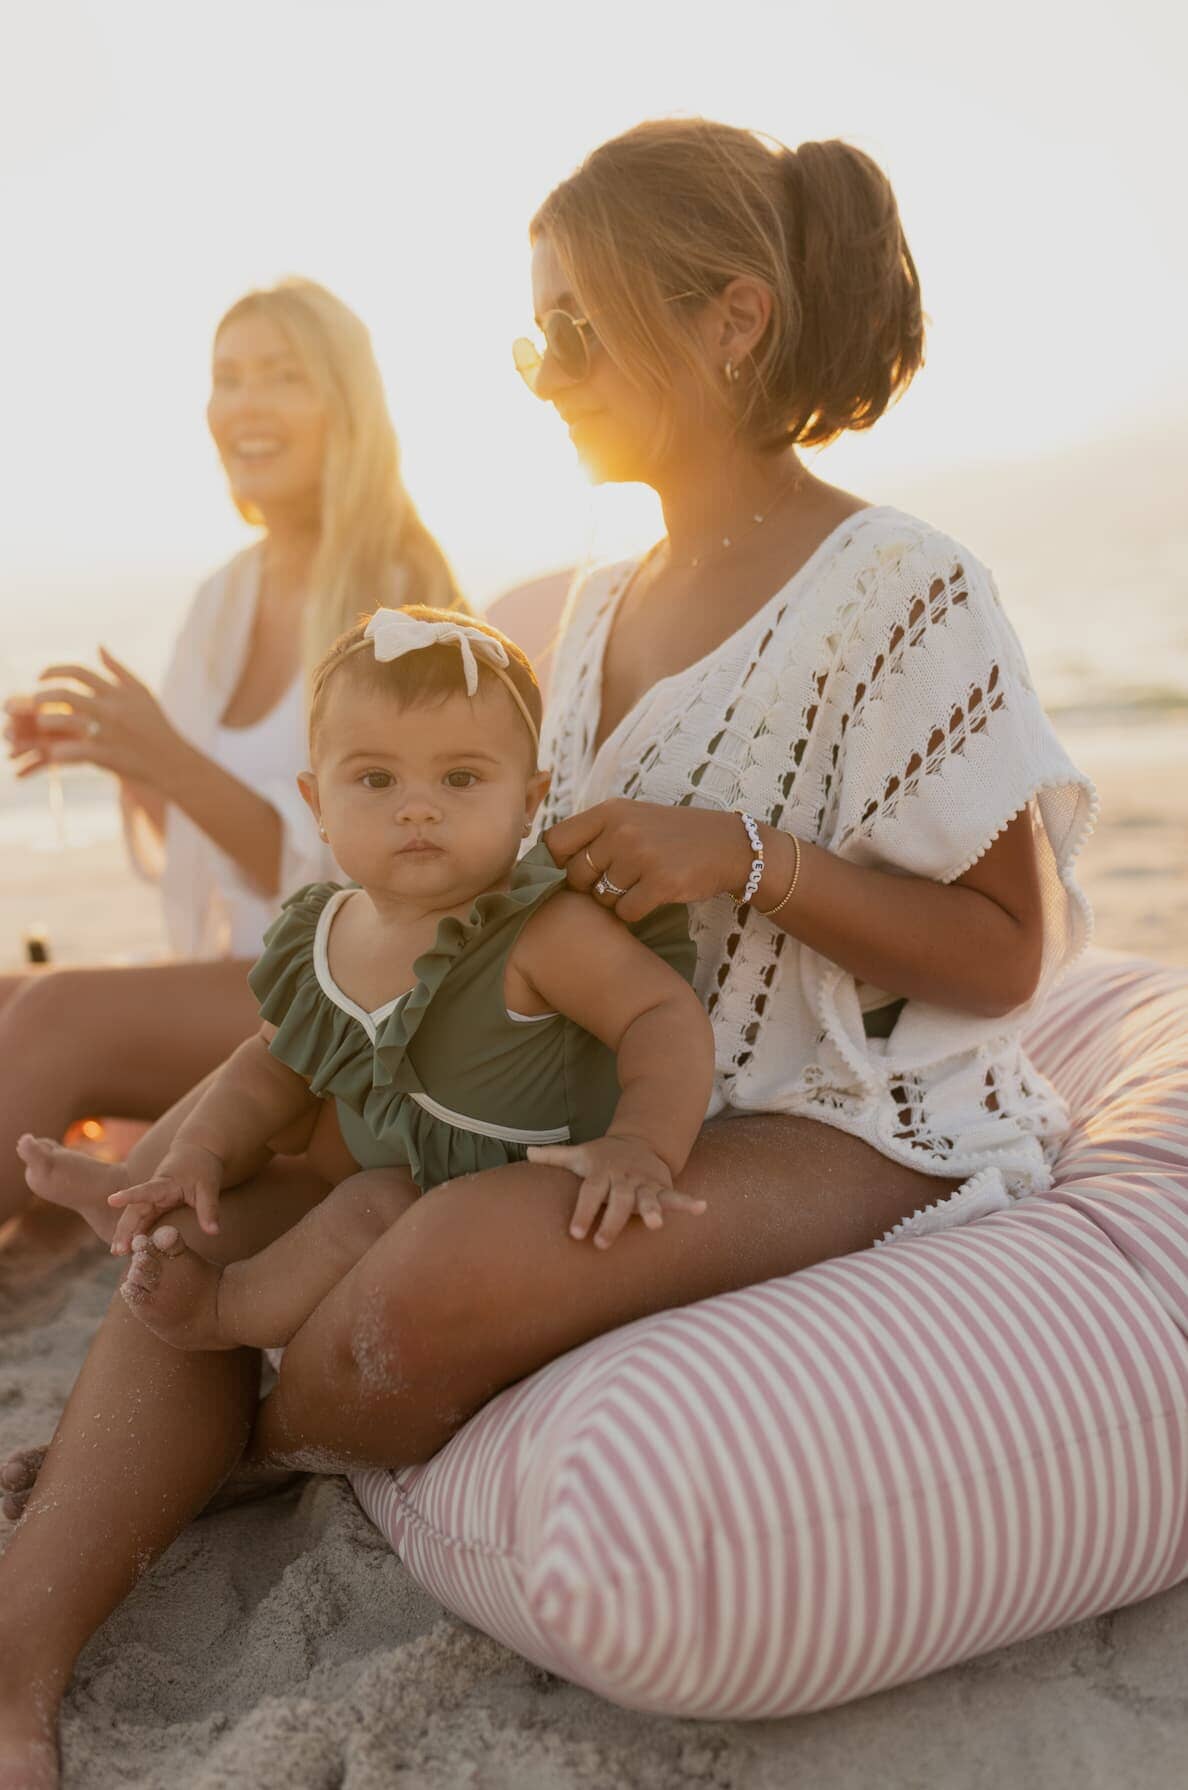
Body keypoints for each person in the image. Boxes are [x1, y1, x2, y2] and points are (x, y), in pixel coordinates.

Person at [0, 119, 1097, 1785]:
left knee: (408, 1303)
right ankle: (22, 1657)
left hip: (839, 1117)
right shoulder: (590, 607)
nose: (540, 369)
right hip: (574, 1093)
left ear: (730, 320)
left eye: (574, 326)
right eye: (528, 331)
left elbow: (1008, 951)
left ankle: (236, 1439)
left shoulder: (898, 588)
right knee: (189, 1230)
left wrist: (741, 860)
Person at [19, 606, 711, 1350]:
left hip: (492, 1202)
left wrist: (644, 1143)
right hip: (364, 1166)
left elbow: (659, 1016)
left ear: (529, 801)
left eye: (461, 777)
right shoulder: (329, 930)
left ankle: (223, 1315)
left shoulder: (540, 931)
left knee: (368, 1203)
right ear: (318, 804)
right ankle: (146, 1201)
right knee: (271, 1169)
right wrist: (204, 1151)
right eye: (376, 779)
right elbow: (269, 1065)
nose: (417, 807)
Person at [0, 277, 461, 1227]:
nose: (244, 403)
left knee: (52, 1016)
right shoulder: (224, 597)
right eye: (228, 377)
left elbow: (379, 869)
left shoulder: (402, 598)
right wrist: (120, 756)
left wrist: (166, 758)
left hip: (352, 984)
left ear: (344, 405)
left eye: (280, 376)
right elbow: (196, 846)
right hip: (243, 968)